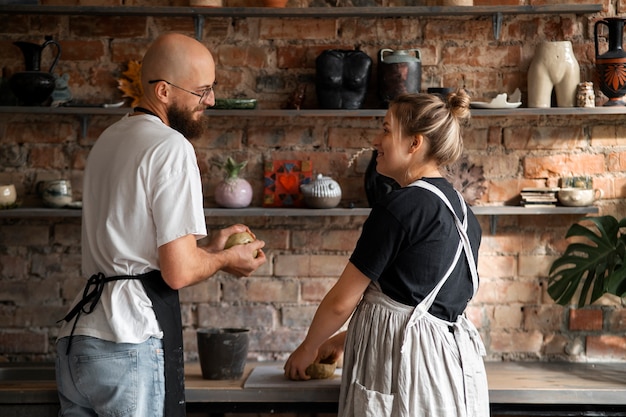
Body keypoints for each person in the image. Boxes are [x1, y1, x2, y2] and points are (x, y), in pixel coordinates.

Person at [55, 33, 266, 417]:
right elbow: (178, 272)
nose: (212, 101)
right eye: (202, 91)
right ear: (164, 90)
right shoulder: (171, 146)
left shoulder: (108, 139)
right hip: (128, 341)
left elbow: (132, 249)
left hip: (79, 340)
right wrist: (228, 259)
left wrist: (214, 246)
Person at [284, 91, 489, 417]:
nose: (375, 140)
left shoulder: (400, 206)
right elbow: (425, 308)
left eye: (385, 129)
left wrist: (307, 349)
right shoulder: (465, 214)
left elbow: (342, 300)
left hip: (406, 371)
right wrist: (340, 341)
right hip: (450, 372)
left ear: (414, 144)